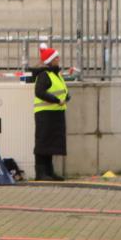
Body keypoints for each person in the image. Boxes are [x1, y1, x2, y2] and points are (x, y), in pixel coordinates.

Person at [32, 43, 70, 181]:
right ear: (50, 60)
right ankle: (41, 172)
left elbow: (61, 90)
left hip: (55, 113)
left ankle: (49, 171)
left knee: (51, 143)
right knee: (43, 142)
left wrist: (66, 97)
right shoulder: (44, 75)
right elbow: (39, 92)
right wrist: (56, 100)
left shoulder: (56, 74)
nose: (58, 59)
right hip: (45, 113)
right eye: (56, 57)